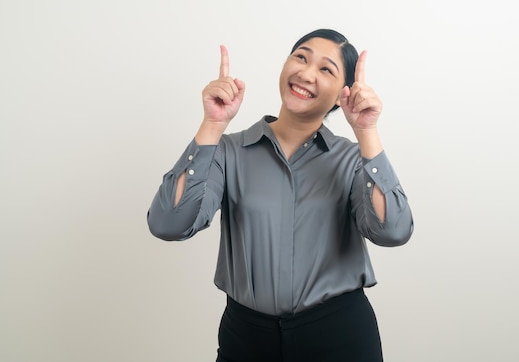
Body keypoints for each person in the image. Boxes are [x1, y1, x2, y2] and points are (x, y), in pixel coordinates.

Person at [147, 28, 414, 362]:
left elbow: (393, 231)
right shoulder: (230, 152)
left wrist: (367, 132)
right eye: (300, 57)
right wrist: (213, 125)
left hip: (339, 336)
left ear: (341, 95)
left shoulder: (352, 159)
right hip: (247, 338)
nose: (306, 72)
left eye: (325, 69)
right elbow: (168, 223)